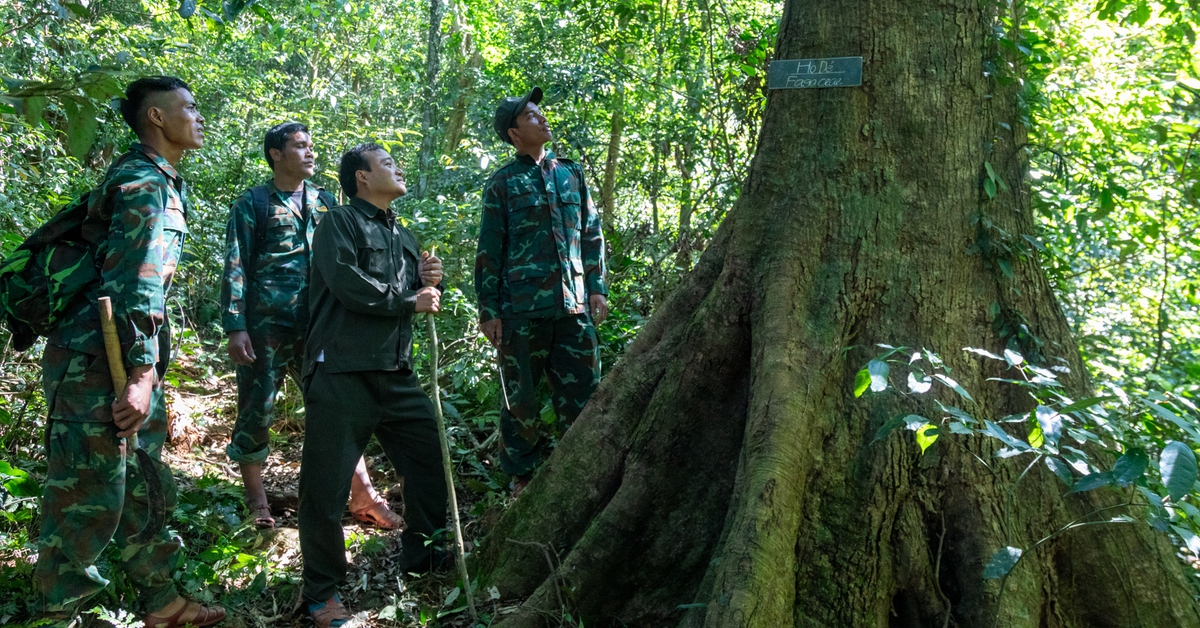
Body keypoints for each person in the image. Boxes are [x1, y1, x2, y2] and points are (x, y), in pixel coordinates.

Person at [34, 76, 225, 628]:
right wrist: (140, 376)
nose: (198, 115)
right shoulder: (143, 182)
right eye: (189, 106)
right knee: (86, 492)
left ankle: (162, 602)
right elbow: (133, 282)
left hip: (124, 353)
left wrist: (145, 371)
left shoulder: (158, 179)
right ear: (157, 119)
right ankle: (57, 615)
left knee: (144, 478)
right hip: (96, 362)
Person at [219, 122, 401, 530]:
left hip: (320, 325)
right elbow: (235, 265)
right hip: (265, 326)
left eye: (311, 145)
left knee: (339, 408)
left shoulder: (325, 201)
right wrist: (235, 325)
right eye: (299, 146)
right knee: (256, 410)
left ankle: (363, 497)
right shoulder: (254, 203)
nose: (309, 152)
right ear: (276, 155)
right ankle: (257, 500)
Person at [298, 143, 448, 627]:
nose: (397, 168)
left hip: (395, 373)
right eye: (386, 163)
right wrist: (410, 301)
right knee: (325, 488)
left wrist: (429, 283)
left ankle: (423, 555)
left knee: (428, 458)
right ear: (361, 177)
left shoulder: (402, 233)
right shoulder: (337, 223)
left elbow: (411, 298)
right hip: (342, 371)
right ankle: (322, 594)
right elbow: (347, 282)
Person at [474, 87, 609, 493]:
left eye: (540, 113)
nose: (542, 119)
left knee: (585, 394)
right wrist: (489, 311)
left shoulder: (571, 173)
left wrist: (597, 287)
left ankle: (584, 471)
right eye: (531, 117)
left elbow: (590, 232)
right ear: (514, 134)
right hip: (521, 310)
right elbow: (489, 251)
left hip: (574, 307)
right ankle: (524, 477)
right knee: (521, 400)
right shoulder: (502, 183)